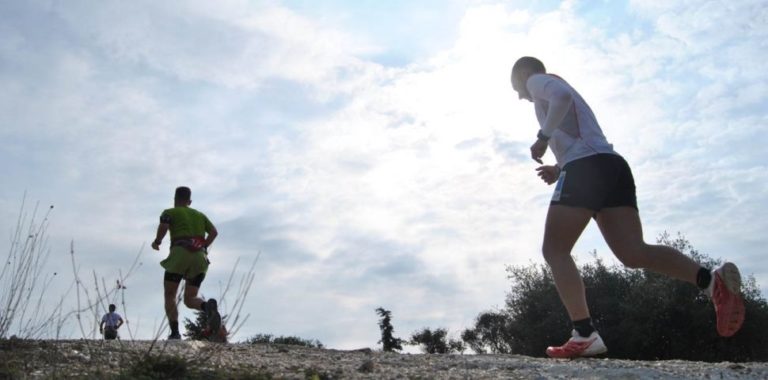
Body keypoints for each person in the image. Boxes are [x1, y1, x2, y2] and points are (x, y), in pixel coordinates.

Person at [510, 56, 745, 358]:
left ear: (524, 73)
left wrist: (542, 138)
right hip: (610, 166)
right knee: (634, 253)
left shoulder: (538, 80)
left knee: (554, 250)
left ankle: (584, 334)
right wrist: (559, 167)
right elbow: (581, 137)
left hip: (587, 168)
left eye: (516, 85)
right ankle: (711, 281)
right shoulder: (555, 91)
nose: (519, 93)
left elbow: (562, 98)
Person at [151, 186, 221, 340]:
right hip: (200, 259)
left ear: (175, 199)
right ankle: (206, 307)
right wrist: (203, 246)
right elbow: (214, 232)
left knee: (170, 294)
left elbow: (164, 226)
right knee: (190, 299)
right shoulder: (200, 215)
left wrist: (157, 242)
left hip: (179, 255)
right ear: (189, 201)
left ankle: (175, 333)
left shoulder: (169, 212)